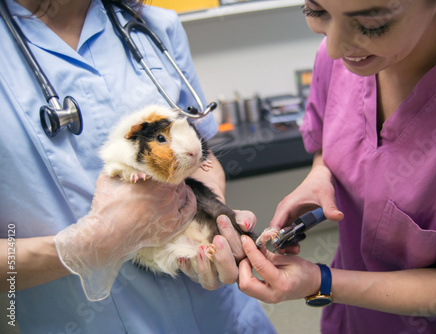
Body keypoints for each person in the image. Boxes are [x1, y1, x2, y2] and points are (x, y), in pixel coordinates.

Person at [0, 0, 276, 333]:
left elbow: (201, 155)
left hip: (222, 317)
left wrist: (206, 218)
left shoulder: (155, 25)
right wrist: (83, 248)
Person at [237, 0, 436, 333]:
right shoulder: (343, 57)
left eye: (370, 24)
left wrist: (323, 281)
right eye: (317, 12)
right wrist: (321, 174)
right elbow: (327, 140)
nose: (333, 48)